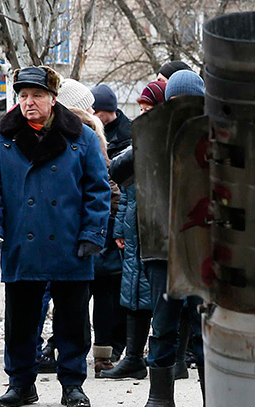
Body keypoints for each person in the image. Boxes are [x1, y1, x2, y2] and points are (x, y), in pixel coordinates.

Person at [0, 66, 111, 407]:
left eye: (36, 95)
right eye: (23, 96)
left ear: (53, 99)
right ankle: (21, 384)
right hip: (22, 241)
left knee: (73, 320)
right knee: (20, 319)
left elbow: (98, 189)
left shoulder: (81, 136)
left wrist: (93, 233)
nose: (28, 102)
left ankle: (73, 384)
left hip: (70, 242)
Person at [129, 69, 206, 407]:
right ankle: (160, 399)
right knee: (162, 325)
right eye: (175, 101)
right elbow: (117, 170)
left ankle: (216, 401)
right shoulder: (151, 135)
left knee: (206, 327)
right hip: (160, 245)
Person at [56, 78, 126, 376]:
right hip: (98, 224)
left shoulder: (66, 132)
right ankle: (102, 355)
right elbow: (106, 182)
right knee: (104, 292)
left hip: (70, 225)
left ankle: (71, 352)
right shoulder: (90, 132)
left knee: (74, 296)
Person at [101, 82, 163, 383]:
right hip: (135, 228)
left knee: (161, 296)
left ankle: (171, 359)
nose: (143, 115)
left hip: (158, 228)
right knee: (133, 292)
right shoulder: (141, 138)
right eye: (141, 109)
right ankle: (134, 358)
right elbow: (124, 188)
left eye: (149, 109)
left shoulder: (166, 138)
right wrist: (120, 228)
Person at [90, 84, 132, 159]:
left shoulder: (130, 135)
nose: (92, 116)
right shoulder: (90, 131)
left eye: (96, 112)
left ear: (108, 110)